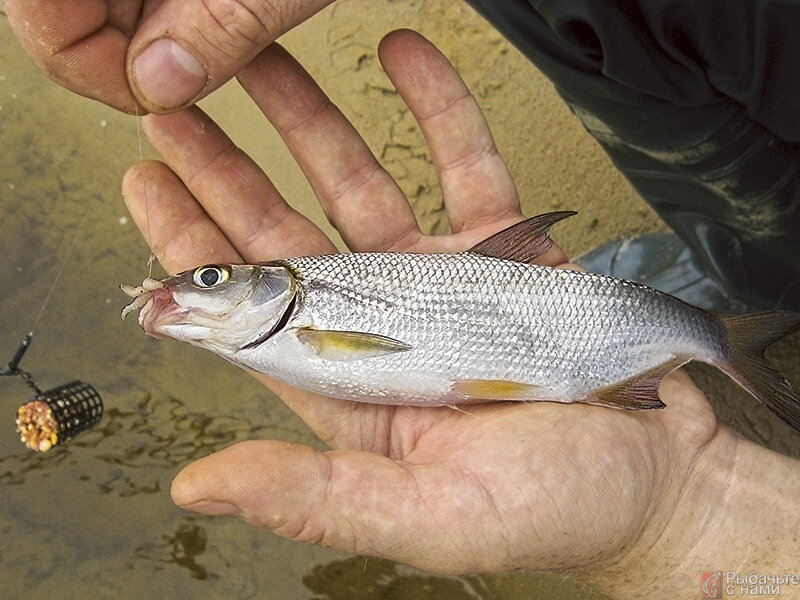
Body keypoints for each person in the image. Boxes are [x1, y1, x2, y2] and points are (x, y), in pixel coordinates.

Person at [5, 4, 800, 598]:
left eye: (214, 278)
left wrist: (686, 521)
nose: (192, 288)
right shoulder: (288, 326)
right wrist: (675, 517)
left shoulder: (302, 318)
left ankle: (714, 297)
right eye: (206, 280)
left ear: (276, 288)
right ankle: (716, 280)